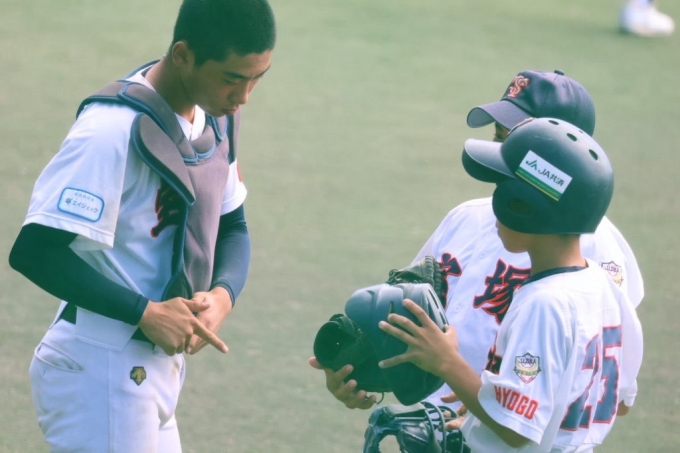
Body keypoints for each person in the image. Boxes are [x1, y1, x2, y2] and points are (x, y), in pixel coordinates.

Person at [309, 70, 644, 440]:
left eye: (518, 139)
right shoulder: (467, 218)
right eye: (500, 136)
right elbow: (408, 318)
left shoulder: (593, 259)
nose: (501, 152)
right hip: (437, 427)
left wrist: (493, 404)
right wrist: (363, 367)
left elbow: (601, 391)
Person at [8, 0, 275, 451]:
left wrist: (223, 294)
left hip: (151, 372)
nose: (244, 96)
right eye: (232, 78)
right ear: (183, 55)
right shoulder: (110, 131)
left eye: (257, 78)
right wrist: (145, 312)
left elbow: (233, 225)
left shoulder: (215, 119)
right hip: (99, 369)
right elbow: (34, 252)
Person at [378, 117, 644, 452]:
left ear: (521, 206)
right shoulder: (602, 287)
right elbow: (609, 396)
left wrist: (446, 361)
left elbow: (516, 429)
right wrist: (483, 397)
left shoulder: (545, 303)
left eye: (501, 190)